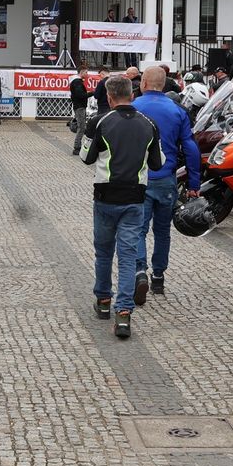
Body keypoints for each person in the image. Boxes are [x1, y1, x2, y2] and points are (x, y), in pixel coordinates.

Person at [82, 74, 162, 339]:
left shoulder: (99, 121)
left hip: (105, 197)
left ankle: (104, 300)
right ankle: (124, 313)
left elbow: (86, 157)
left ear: (109, 96)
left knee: (104, 253)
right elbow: (158, 163)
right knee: (127, 257)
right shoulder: (149, 124)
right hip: (134, 198)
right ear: (132, 94)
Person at [132, 66, 200, 301]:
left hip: (139, 179)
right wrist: (194, 183)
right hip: (166, 178)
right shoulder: (177, 110)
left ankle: (140, 271)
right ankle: (159, 277)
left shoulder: (133, 107)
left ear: (144, 83)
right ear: (163, 85)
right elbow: (190, 147)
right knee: (162, 231)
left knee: (138, 230)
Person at [68, 64, 91, 155]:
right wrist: (92, 93)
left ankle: (78, 146)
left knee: (81, 126)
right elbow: (80, 95)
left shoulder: (77, 82)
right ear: (81, 72)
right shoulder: (77, 82)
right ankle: (77, 147)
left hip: (79, 106)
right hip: (80, 107)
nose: (87, 74)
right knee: (81, 127)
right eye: (86, 72)